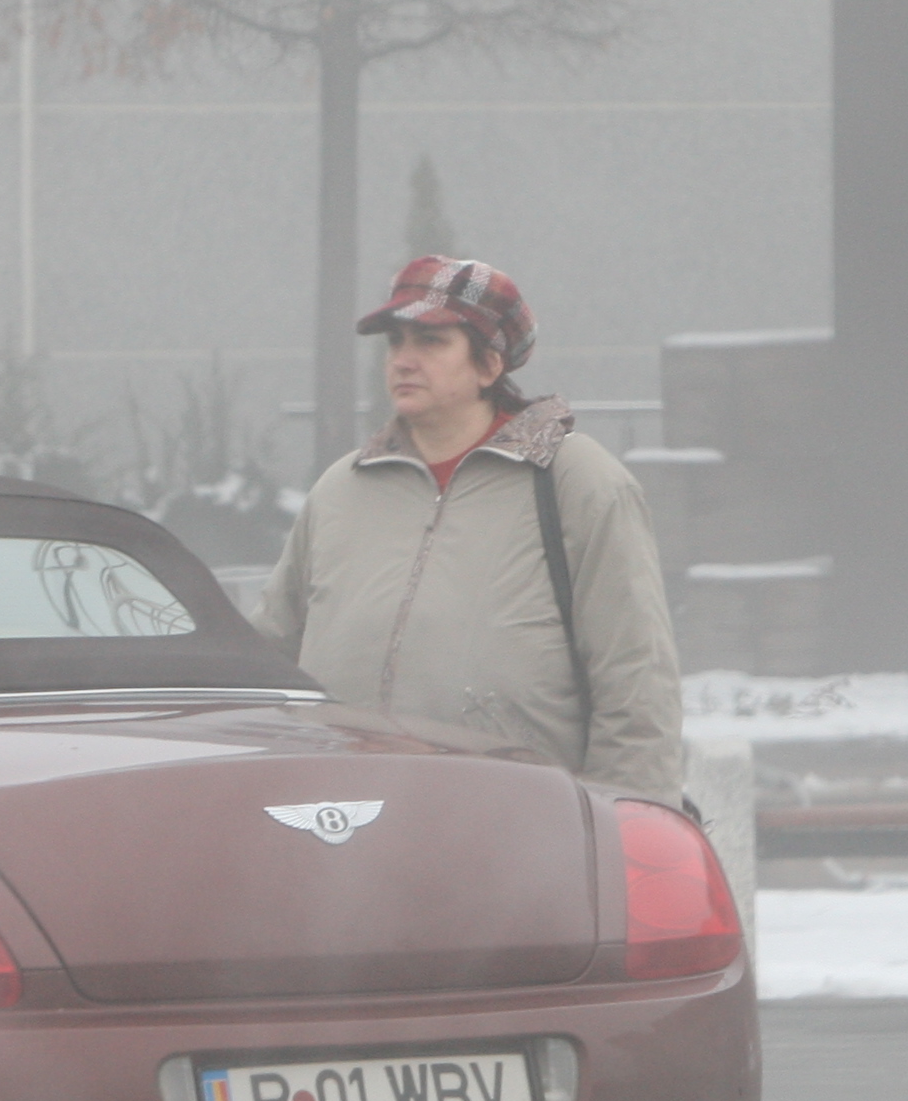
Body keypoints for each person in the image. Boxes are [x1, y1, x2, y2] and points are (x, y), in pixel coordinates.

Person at [256, 255, 685, 803]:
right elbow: (269, 658)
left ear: (488, 366)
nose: (403, 361)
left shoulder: (576, 482)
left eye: (431, 342)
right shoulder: (342, 489)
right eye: (395, 342)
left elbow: (636, 682)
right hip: (343, 833)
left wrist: (628, 826)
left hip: (516, 834)